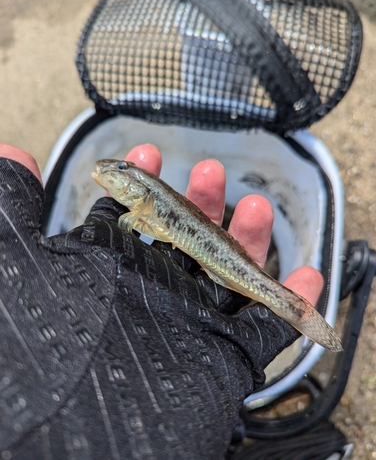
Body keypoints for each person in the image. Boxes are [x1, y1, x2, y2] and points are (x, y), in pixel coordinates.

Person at [0, 142, 323, 459]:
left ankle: (296, 310)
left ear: (143, 190)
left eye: (124, 170)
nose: (111, 171)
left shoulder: (148, 201)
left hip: (225, 259)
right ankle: (294, 308)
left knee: (254, 271)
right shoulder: (143, 204)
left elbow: (135, 220)